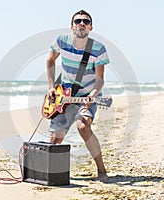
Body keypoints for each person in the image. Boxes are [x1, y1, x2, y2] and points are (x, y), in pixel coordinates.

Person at [45, 10, 109, 182]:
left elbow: (100, 80)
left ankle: (102, 171)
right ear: (72, 26)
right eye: (78, 21)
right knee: (54, 139)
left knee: (83, 126)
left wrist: (93, 95)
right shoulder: (61, 41)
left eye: (86, 21)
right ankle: (47, 174)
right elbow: (50, 60)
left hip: (87, 96)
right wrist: (51, 87)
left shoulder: (98, 49)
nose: (82, 23)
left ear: (91, 27)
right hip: (63, 96)